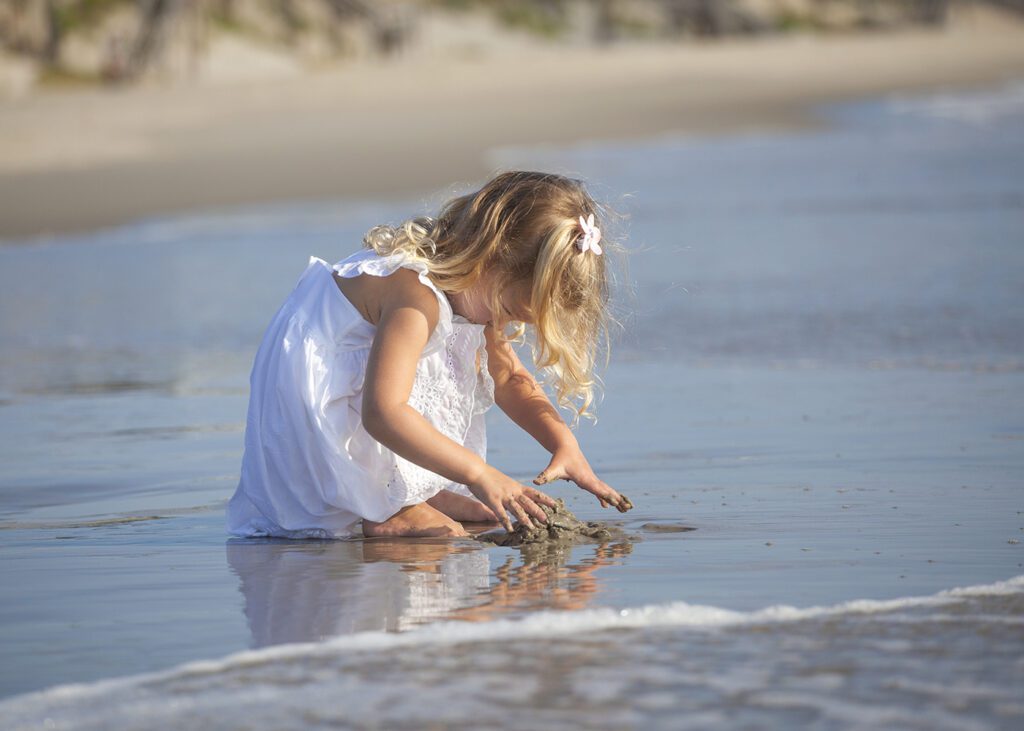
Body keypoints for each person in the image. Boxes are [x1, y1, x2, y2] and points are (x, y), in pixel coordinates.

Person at [226, 170, 631, 540]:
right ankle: (389, 509)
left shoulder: (471, 286)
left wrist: (564, 444)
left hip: (359, 389)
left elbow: (509, 379)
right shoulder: (414, 296)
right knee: (410, 393)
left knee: (460, 357)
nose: (504, 326)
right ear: (490, 258)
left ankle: (417, 492)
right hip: (312, 409)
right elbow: (384, 412)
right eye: (508, 311)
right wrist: (479, 474)